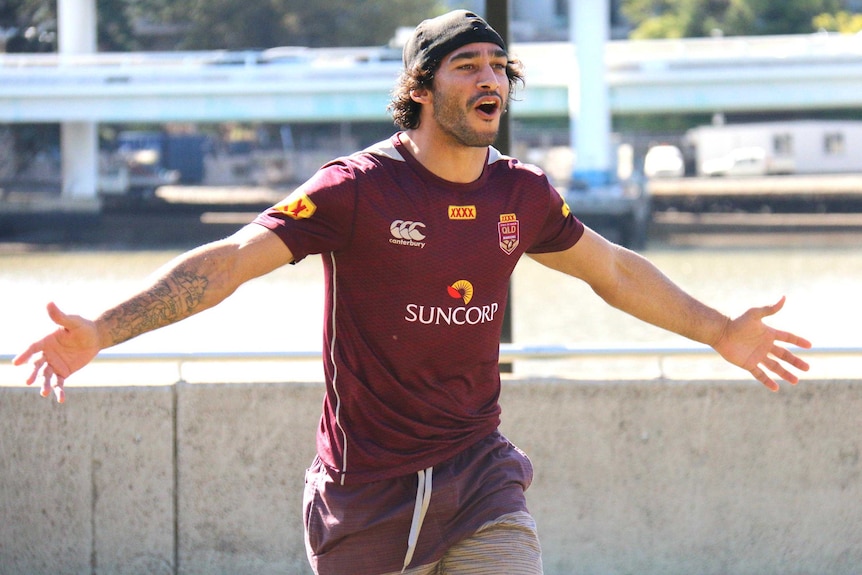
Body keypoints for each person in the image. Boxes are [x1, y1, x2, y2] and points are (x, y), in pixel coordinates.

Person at [13, 10, 811, 575]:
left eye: (500, 67)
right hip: (365, 491)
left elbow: (614, 271)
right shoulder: (354, 189)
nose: (491, 78)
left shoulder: (522, 194)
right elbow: (228, 262)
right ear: (422, 90)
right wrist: (103, 330)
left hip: (480, 475)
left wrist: (719, 331)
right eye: (469, 66)